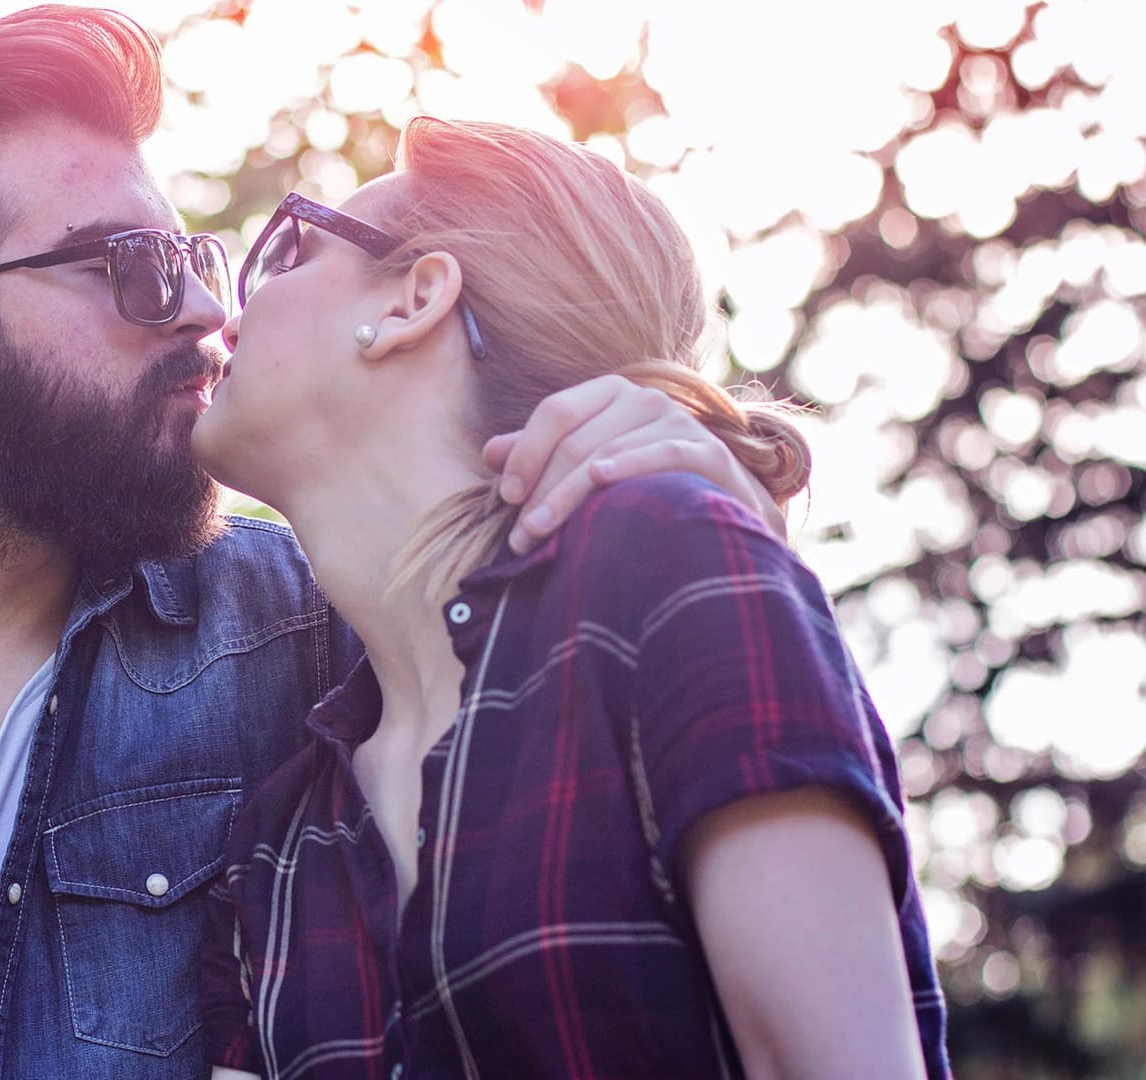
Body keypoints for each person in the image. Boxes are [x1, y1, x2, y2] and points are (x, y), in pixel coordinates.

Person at [0, 9, 789, 1079]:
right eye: (128, 266)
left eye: (189, 254)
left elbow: (653, 743)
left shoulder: (325, 627)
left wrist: (692, 464)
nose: (203, 307)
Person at [191, 117, 950, 1079]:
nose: (220, 310)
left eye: (290, 248)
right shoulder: (281, 834)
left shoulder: (668, 565)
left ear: (418, 298)